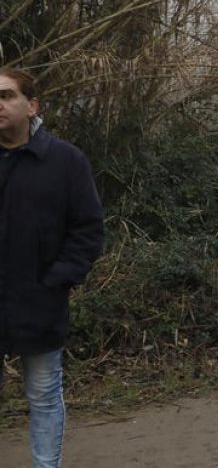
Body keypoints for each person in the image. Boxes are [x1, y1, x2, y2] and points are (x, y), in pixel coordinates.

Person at [0, 67, 105, 468]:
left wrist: (56, 282)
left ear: (33, 106)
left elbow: (88, 230)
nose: (0, 104)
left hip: (39, 304)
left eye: (8, 95)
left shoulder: (65, 161)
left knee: (44, 395)